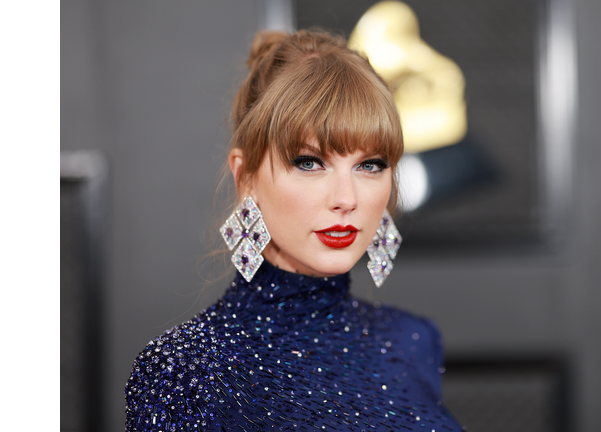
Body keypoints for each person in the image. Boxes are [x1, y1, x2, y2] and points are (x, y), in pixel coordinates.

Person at [125, 29, 463, 431]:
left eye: (370, 164)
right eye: (309, 162)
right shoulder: (186, 372)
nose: (346, 198)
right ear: (246, 176)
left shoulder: (414, 340)